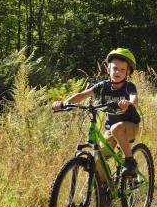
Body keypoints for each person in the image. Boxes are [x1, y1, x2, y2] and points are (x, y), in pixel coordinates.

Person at [52, 48, 141, 178]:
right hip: (111, 130)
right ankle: (104, 192)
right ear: (108, 69)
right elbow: (82, 94)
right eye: (115, 68)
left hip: (130, 126)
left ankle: (130, 162)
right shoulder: (103, 86)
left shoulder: (129, 87)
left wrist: (129, 103)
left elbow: (134, 98)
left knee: (117, 128)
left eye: (122, 70)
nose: (118, 72)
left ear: (128, 72)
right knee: (98, 158)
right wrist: (64, 104)